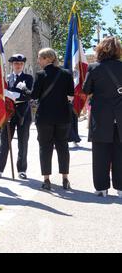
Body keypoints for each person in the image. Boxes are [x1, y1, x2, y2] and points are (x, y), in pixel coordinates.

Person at [83, 36, 122, 198]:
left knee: (100, 153)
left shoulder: (94, 68)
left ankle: (101, 188)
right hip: (120, 115)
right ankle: (120, 188)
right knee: (120, 153)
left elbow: (86, 90)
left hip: (100, 117)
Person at [30, 48, 75, 191]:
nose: (38, 61)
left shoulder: (40, 75)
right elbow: (70, 93)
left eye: (39, 58)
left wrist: (25, 90)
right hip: (63, 117)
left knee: (45, 147)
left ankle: (47, 179)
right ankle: (65, 178)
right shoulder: (66, 74)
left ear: (47, 59)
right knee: (63, 147)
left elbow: (34, 95)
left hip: (44, 118)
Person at [0, 54, 34, 180]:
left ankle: (22, 169)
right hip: (9, 112)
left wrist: (12, 94)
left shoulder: (28, 78)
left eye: (21, 64)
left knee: (23, 142)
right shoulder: (6, 78)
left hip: (23, 112)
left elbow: (28, 96)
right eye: (16, 63)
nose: (18, 66)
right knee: (4, 141)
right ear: (12, 64)